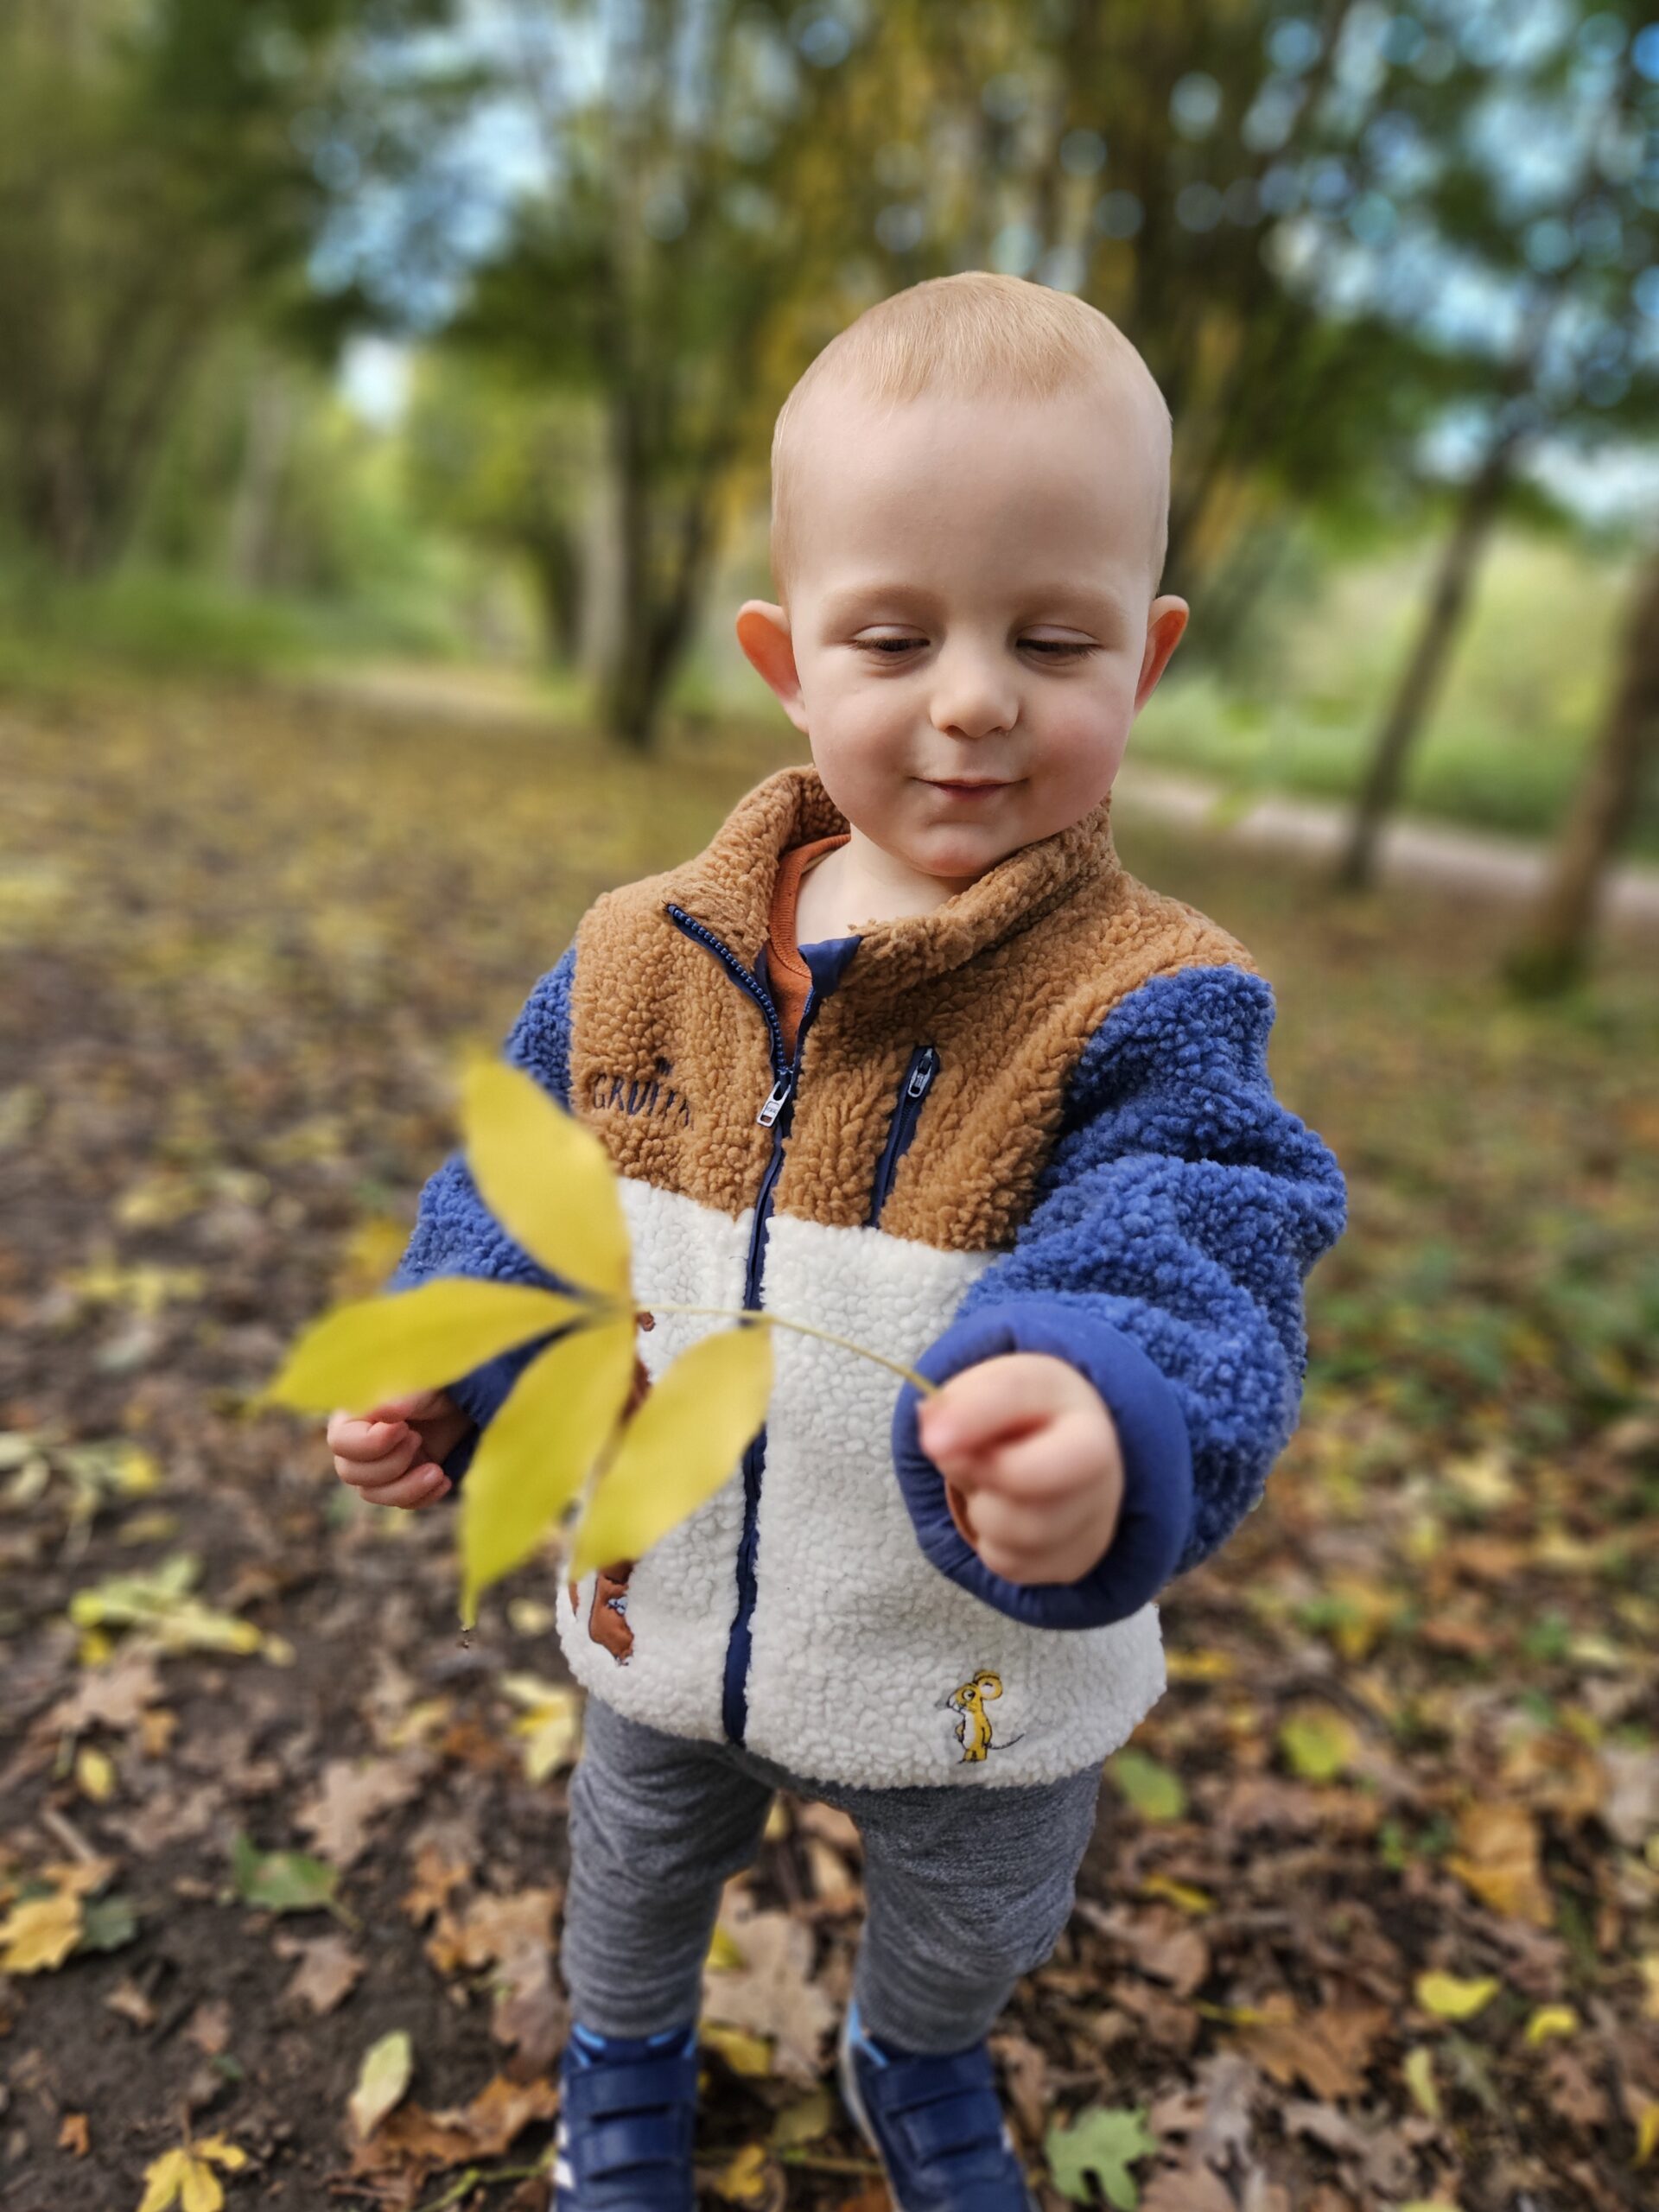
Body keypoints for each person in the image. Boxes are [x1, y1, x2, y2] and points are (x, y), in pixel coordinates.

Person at [327, 271, 1347, 2212]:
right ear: (790, 660)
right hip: (671, 1599)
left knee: (978, 1912)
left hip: (969, 1661)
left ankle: (915, 2048)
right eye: (898, 635)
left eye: (1054, 637)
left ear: (1151, 652)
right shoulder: (644, 954)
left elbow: (1202, 1227)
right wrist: (442, 1367)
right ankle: (623, 2069)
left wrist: (1105, 1404)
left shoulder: (1152, 1001)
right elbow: (528, 1186)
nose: (975, 696)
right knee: (629, 1873)